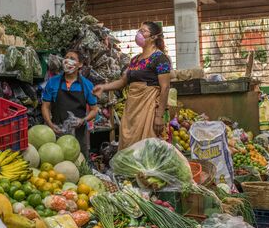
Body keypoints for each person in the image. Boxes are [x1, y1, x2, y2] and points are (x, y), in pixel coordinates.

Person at [93, 21, 171, 150]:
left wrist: (159, 116)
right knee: (130, 147)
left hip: (149, 108)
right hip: (132, 109)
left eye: (143, 31)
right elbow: (123, 82)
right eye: (138, 31)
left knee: (148, 147)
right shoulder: (135, 59)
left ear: (154, 37)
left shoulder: (160, 59)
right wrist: (103, 87)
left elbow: (165, 87)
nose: (139, 34)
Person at [41, 50, 98, 159]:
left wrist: (83, 120)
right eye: (66, 57)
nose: (67, 61)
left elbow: (94, 110)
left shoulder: (87, 85)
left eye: (72, 58)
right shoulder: (53, 82)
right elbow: (45, 106)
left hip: (79, 134)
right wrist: (50, 124)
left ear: (80, 64)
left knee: (79, 163)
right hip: (57, 130)